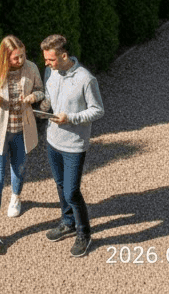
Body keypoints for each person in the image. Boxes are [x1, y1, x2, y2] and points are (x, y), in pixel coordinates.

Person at [0, 35, 44, 253]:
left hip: (21, 131)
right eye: (16, 57)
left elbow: (41, 90)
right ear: (5, 56)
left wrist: (33, 97)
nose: (21, 59)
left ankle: (16, 197)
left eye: (23, 55)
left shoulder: (31, 67)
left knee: (19, 169)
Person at [40, 33, 105, 258]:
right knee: (59, 184)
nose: (45, 63)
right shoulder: (51, 71)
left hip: (74, 145)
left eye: (50, 59)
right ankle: (67, 222)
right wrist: (42, 106)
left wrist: (71, 118)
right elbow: (49, 96)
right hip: (52, 140)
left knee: (72, 191)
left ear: (64, 55)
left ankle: (84, 233)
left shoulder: (86, 79)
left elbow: (98, 110)